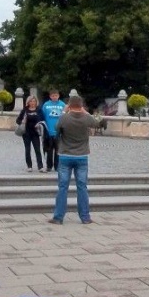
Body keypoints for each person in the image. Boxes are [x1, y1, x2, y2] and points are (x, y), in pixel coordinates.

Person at [49, 95, 103, 225]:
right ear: (81, 105)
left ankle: (58, 217)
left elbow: (56, 128)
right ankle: (85, 217)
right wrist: (86, 112)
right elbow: (98, 122)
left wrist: (63, 112)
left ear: (69, 105)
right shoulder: (86, 118)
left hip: (65, 155)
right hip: (82, 156)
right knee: (82, 187)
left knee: (63, 187)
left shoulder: (64, 117)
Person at [16, 96, 45, 172]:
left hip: (35, 132)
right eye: (31, 101)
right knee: (27, 149)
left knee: (37, 150)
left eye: (34, 101)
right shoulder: (25, 110)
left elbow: (43, 119)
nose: (32, 103)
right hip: (26, 132)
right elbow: (18, 120)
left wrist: (39, 123)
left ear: (36, 102)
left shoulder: (39, 110)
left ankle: (40, 166)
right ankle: (29, 166)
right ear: (28, 102)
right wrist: (22, 122)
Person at [41, 89, 66, 172]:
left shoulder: (62, 105)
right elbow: (42, 116)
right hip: (48, 130)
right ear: (50, 96)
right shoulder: (46, 105)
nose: (54, 97)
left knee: (58, 150)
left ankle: (57, 166)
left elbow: (65, 117)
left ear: (58, 96)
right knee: (49, 150)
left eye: (56, 95)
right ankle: (49, 166)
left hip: (59, 131)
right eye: (53, 96)